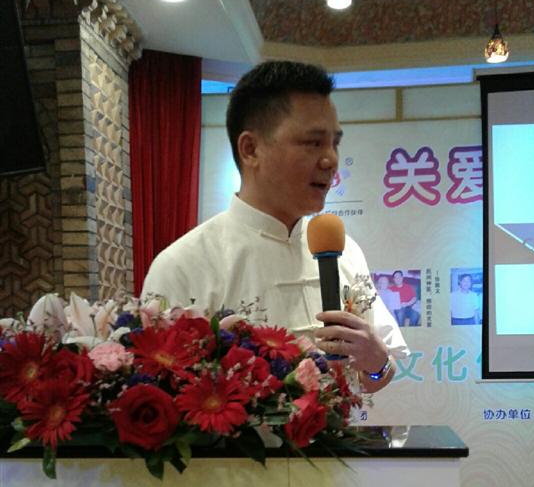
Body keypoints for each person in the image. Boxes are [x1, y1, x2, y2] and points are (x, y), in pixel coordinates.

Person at [142, 61, 408, 391]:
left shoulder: (345, 252)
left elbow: (377, 375)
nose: (330, 160)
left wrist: (377, 363)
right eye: (313, 143)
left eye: (334, 143)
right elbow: (158, 394)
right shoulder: (182, 265)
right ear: (250, 149)